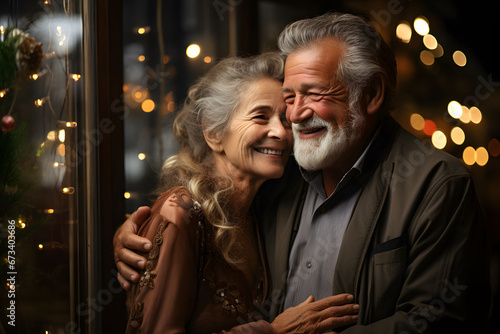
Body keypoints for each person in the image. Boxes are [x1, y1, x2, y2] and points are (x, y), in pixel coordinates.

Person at [115, 13, 491, 333]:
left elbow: (442, 322)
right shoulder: (282, 172)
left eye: (313, 93)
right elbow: (196, 218)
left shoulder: (437, 184)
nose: (291, 119)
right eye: (289, 97)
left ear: (372, 94)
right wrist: (151, 235)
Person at [121, 52, 359, 333]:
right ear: (213, 132)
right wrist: (272, 332)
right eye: (260, 116)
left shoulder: (260, 208)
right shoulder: (181, 213)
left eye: (285, 120)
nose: (281, 133)